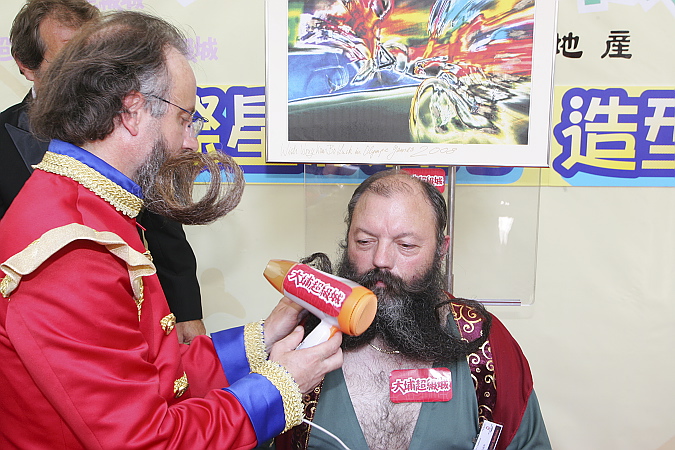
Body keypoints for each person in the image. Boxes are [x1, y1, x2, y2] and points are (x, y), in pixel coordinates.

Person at [0, 10, 342, 449]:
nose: (190, 142)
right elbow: (147, 440)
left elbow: (157, 375)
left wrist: (263, 337)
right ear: (132, 111)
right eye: (184, 119)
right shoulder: (71, 251)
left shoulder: (93, 208)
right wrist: (279, 388)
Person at [275, 169, 550, 449]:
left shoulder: (482, 343)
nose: (381, 259)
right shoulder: (298, 339)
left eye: (406, 245)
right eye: (364, 241)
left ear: (441, 250)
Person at [0, 0, 205, 344]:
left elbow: (162, 223)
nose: (87, 69)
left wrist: (186, 310)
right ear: (26, 64)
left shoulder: (134, 126)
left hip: (127, 312)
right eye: (70, 56)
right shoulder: (6, 137)